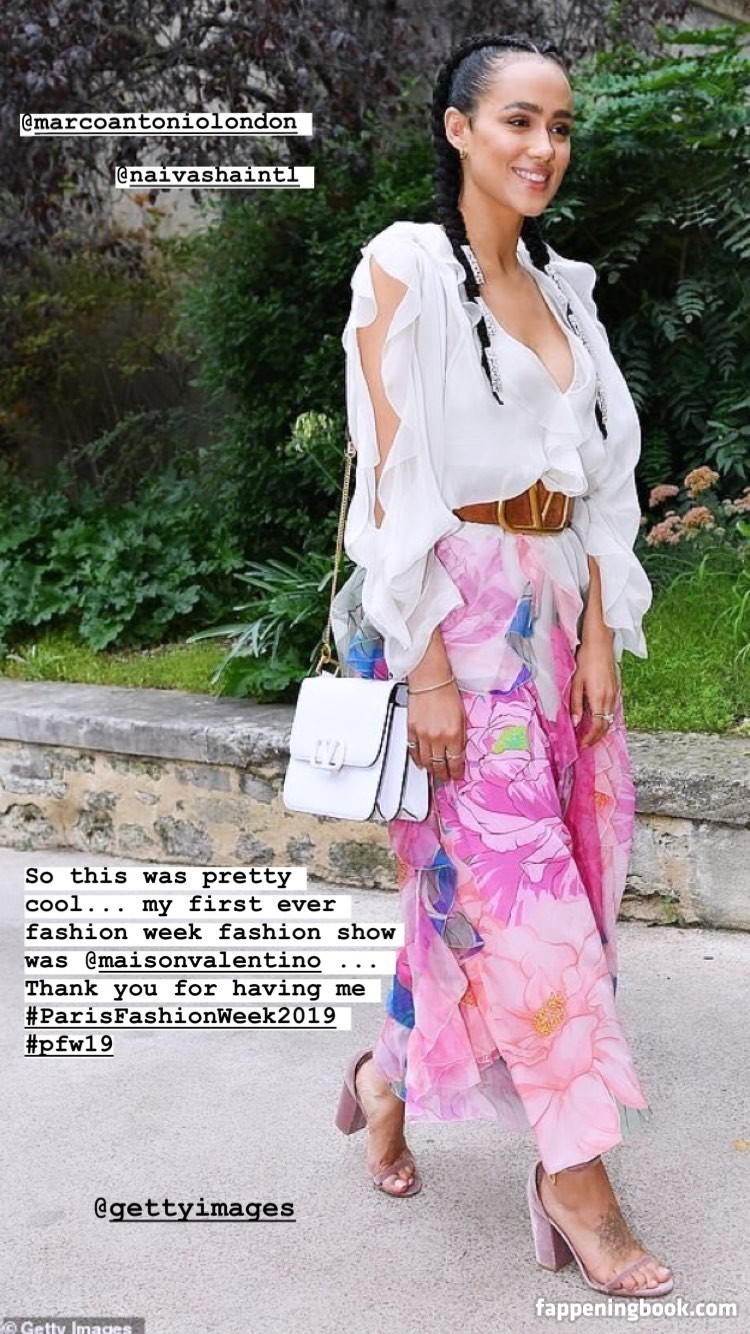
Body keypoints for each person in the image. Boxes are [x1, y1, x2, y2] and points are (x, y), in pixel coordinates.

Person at [331, 31, 673, 1298]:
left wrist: (601, 633)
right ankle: (576, 1179)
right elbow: (391, 485)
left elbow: (601, 483)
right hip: (453, 625)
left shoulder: (564, 286)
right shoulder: (406, 267)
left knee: (543, 884)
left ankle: (384, 1079)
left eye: (561, 126)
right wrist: (423, 666)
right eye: (519, 120)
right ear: (459, 128)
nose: (544, 147)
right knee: (533, 917)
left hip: (559, 620)